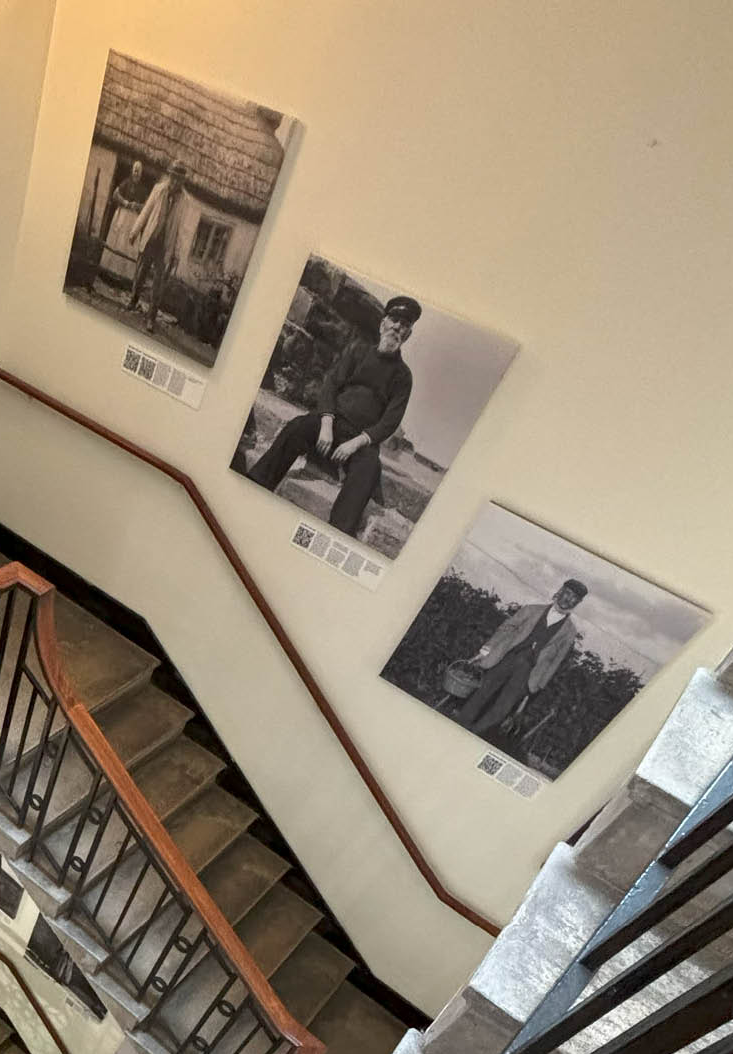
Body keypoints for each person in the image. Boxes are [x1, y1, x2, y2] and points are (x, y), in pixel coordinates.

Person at [246, 296, 421, 536]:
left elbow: (391, 420)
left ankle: (337, 533)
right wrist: (326, 423)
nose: (397, 328)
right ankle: (255, 485)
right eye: (394, 320)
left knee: (368, 470)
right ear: (383, 324)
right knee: (297, 427)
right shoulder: (357, 350)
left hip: (360, 441)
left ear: (408, 335)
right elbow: (330, 384)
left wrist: (357, 443)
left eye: (404, 325)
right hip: (331, 422)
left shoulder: (403, 376)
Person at [457, 579, 588, 738]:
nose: (568, 598)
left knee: (503, 708)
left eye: (574, 597)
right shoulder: (531, 610)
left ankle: (476, 734)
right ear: (560, 591)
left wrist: (539, 685)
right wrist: (485, 651)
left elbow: (556, 661)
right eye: (567, 592)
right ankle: (458, 725)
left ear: (578, 602)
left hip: (529, 672)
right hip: (507, 658)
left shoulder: (569, 632)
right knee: (482, 692)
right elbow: (504, 630)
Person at [127, 161, 187, 328]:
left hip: (164, 246)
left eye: (179, 180)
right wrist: (134, 231)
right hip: (151, 239)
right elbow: (146, 212)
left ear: (183, 182)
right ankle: (133, 300)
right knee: (141, 273)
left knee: (158, 284)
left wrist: (177, 254)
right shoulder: (158, 190)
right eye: (173, 178)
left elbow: (182, 230)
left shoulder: (184, 201)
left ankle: (151, 318)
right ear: (170, 176)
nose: (175, 182)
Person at [100, 160, 152, 281]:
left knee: (128, 245)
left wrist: (137, 206)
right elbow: (115, 194)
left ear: (141, 174)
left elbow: (147, 206)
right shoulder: (126, 183)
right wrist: (125, 202)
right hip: (122, 216)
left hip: (133, 220)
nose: (136, 172)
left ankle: (123, 277)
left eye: (139, 170)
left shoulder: (143, 190)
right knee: (117, 241)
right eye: (135, 169)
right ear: (132, 170)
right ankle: (107, 272)